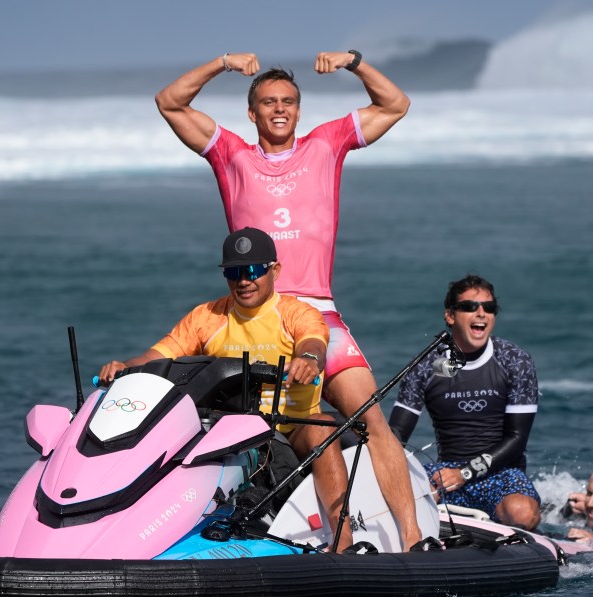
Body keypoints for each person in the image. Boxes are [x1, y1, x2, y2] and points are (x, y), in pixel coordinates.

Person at [155, 51, 422, 549]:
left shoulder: (327, 143)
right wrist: (220, 65)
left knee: (372, 418)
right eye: (268, 102)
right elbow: (169, 102)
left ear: (299, 112)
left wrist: (354, 63)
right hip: (259, 318)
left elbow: (396, 104)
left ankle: (413, 542)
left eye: (289, 102)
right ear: (252, 114)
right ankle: (334, 547)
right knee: (308, 434)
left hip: (319, 312)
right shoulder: (230, 154)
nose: (279, 109)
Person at [98, 227, 354, 552]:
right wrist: (126, 368)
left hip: (292, 427)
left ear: (274, 270)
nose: (243, 281)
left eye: (252, 271)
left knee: (323, 431)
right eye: (233, 273)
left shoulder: (297, 314)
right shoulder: (207, 317)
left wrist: (307, 360)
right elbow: (157, 356)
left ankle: (343, 545)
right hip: (231, 430)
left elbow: (313, 344)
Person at [389, 274, 542, 531]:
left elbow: (517, 439)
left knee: (522, 514)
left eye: (489, 308)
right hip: (446, 473)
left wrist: (466, 473)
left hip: (501, 472)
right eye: (470, 306)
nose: (481, 313)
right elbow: (396, 436)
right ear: (450, 316)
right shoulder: (429, 366)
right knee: (396, 502)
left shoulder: (514, 361)